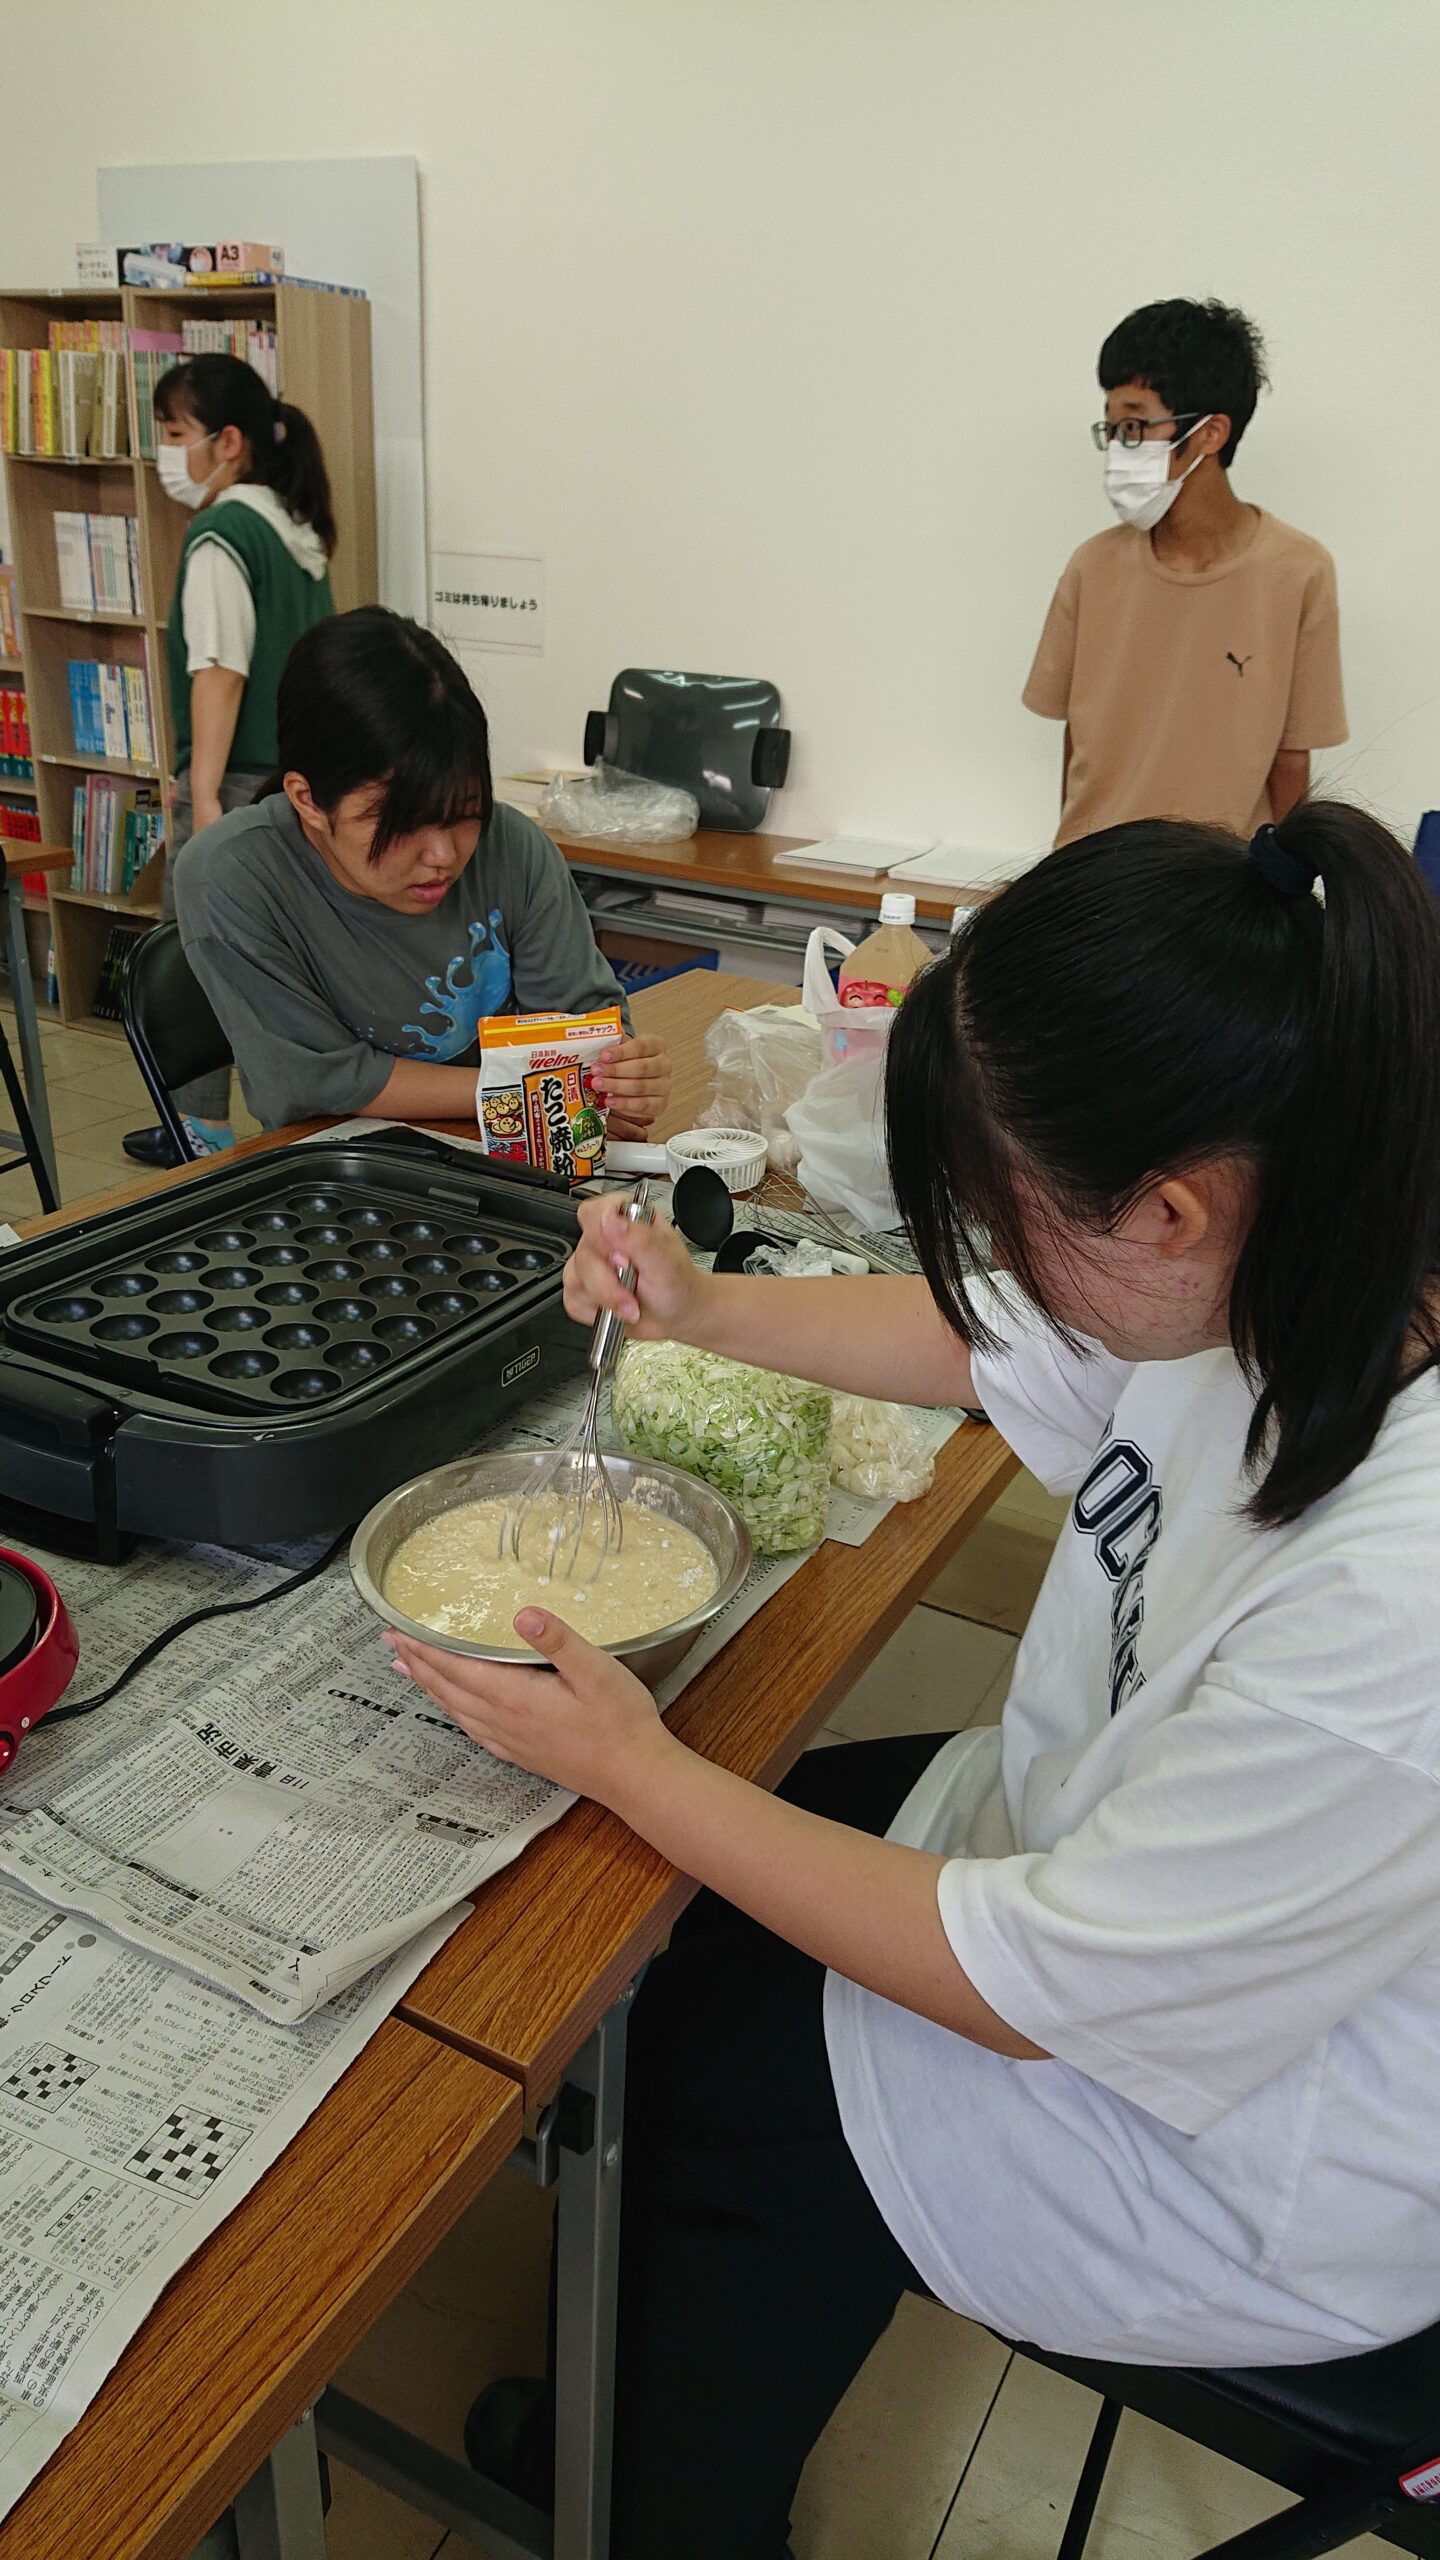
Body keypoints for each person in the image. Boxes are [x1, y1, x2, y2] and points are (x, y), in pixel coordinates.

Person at [389, 800, 1440, 2558]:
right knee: (692, 1922)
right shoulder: (1303, 1253)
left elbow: (1041, 1989)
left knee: (712, 2071)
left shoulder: (1391, 1618)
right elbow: (986, 1341)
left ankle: (664, 2500)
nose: (998, 1265)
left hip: (1251, 2150)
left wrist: (639, 1762)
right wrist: (700, 1302)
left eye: (1009, 1217)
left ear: (1171, 1211)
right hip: (1099, 1865)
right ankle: (631, 2400)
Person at [172, 609, 670, 1138]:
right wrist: (525, 1092)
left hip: (510, 1147)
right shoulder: (232, 877)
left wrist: (623, 1077)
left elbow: (583, 1036)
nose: (443, 855)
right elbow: (317, 1082)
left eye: (463, 814)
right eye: (402, 822)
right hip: (346, 1166)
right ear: (309, 800)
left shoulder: (513, 848)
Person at [1025, 298, 1347, 847]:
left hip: (1226, 896)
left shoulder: (1298, 572)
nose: (1119, 449)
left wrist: (1291, 888)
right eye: (1111, 429)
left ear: (1210, 433)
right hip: (1097, 882)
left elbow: (1292, 761)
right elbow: (1077, 746)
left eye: (1134, 425)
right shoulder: (1092, 567)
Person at [125, 352, 337, 1167]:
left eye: (176, 433)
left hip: (234, 776)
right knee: (276, 957)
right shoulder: (296, 530)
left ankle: (198, 1131)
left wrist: (202, 793)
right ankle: (280, 1123)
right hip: (294, 782)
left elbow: (219, 669)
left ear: (229, 442)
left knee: (194, 959)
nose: (166, 452)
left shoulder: (223, 532)